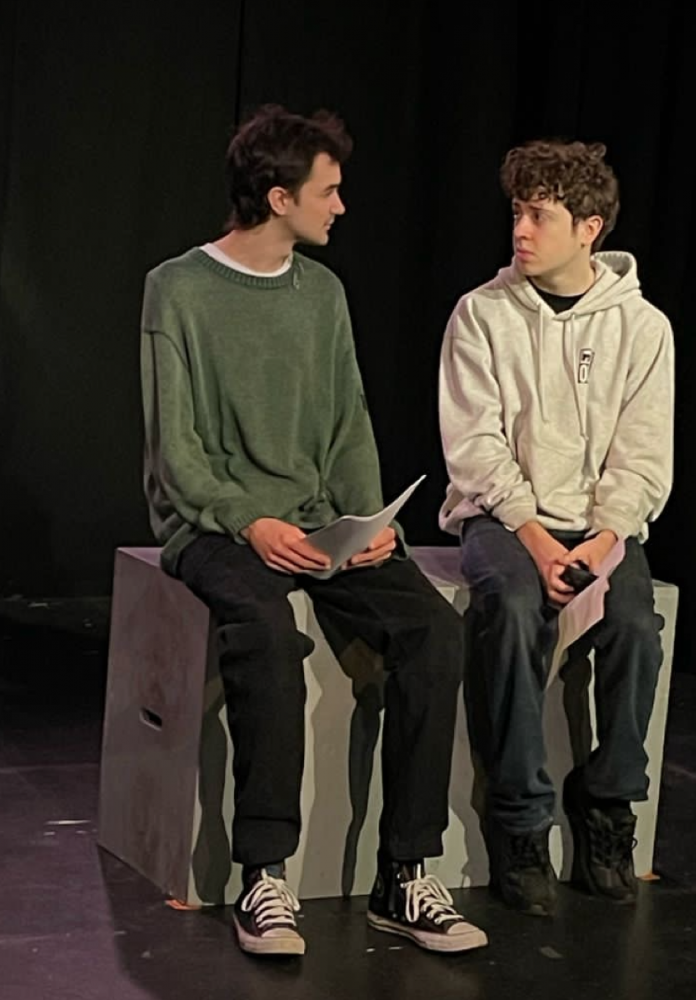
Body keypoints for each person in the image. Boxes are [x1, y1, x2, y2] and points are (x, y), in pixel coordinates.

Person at [141, 105, 486, 957]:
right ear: (277, 195)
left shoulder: (323, 293)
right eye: (328, 190)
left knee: (432, 632)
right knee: (263, 633)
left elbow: (346, 424)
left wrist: (371, 528)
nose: (340, 206)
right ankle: (265, 873)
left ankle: (405, 873)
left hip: (314, 523)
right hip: (214, 524)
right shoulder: (177, 288)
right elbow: (175, 449)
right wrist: (246, 520)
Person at [438, 138, 674, 916]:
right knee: (507, 610)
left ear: (589, 227)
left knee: (635, 627)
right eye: (516, 211)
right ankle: (520, 821)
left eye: (540, 215)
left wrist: (605, 542)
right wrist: (535, 539)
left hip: (599, 528)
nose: (521, 230)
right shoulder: (482, 314)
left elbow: (642, 459)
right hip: (506, 518)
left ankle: (608, 807)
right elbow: (474, 446)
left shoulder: (642, 330)